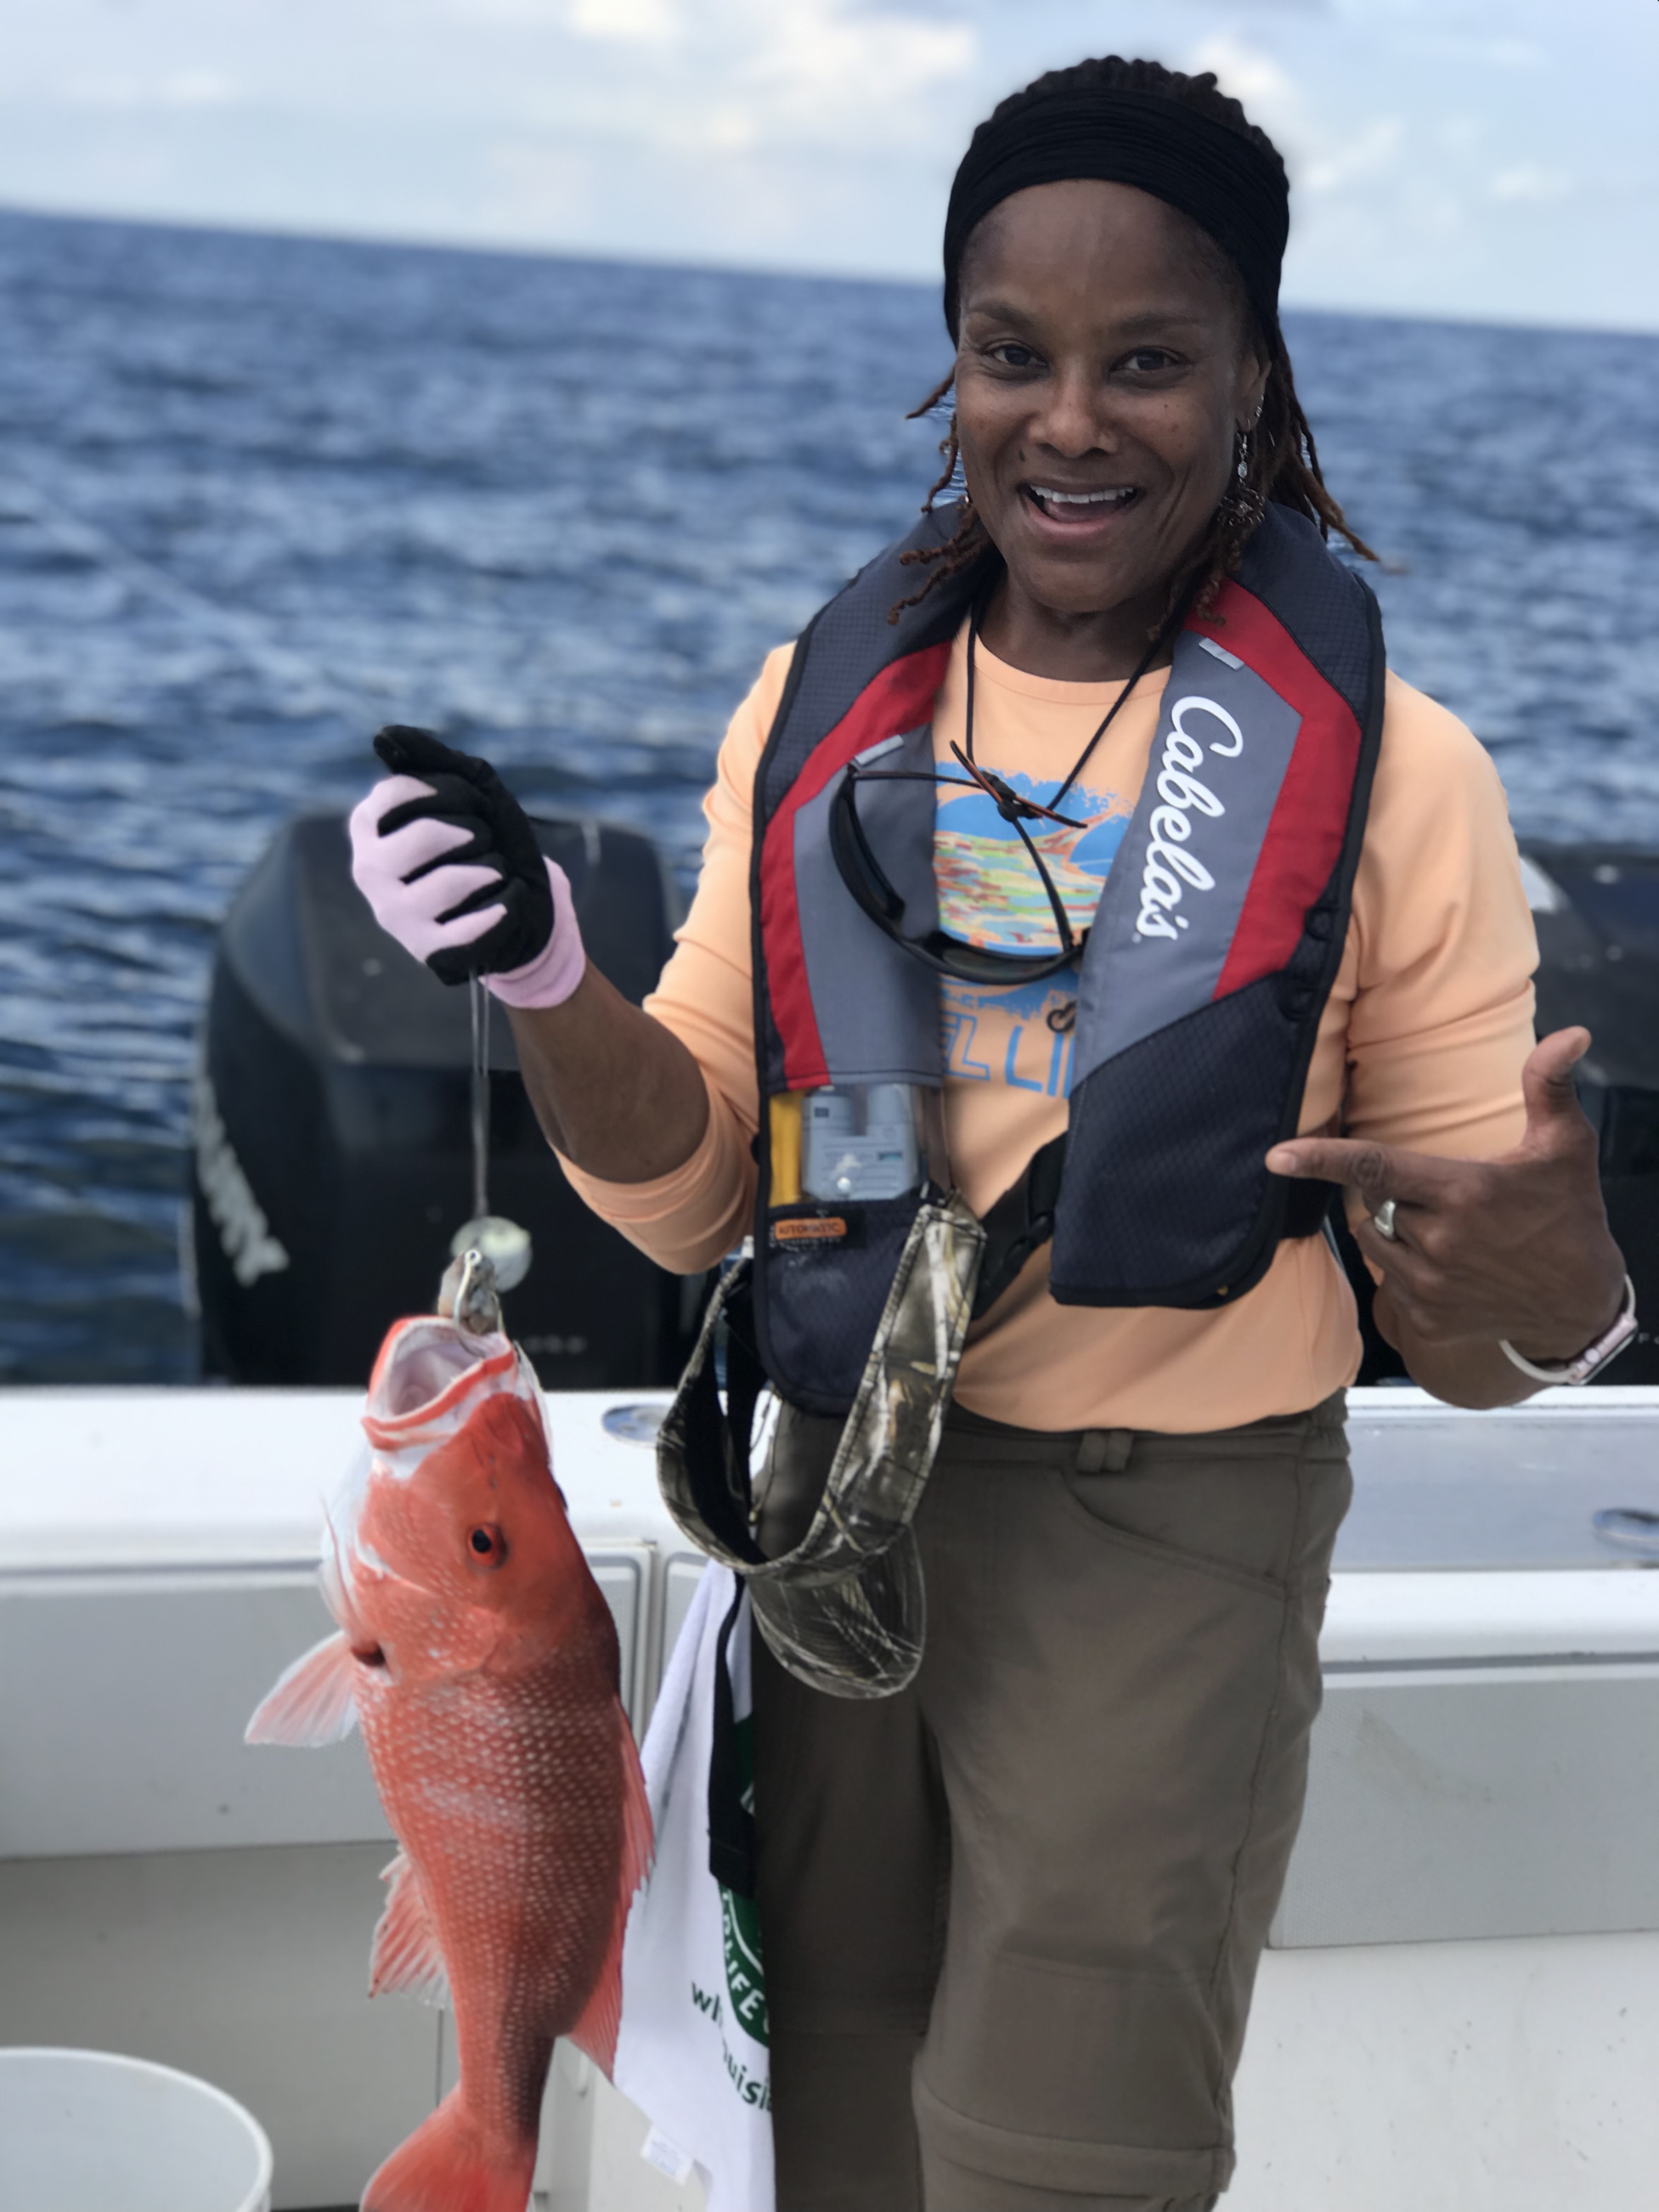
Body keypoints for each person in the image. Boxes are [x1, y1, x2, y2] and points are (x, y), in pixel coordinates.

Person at [348, 54, 1633, 2212]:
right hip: (835, 1508)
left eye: (1148, 362)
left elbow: (1508, 1334)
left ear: (1251, 375)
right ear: (949, 367)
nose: (1068, 420)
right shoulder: (813, 698)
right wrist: (549, 978)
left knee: (1061, 2148)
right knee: (827, 2082)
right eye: (1009, 355)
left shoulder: (1405, 777)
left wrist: (1551, 1290)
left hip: (1172, 1527)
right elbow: (684, 1186)